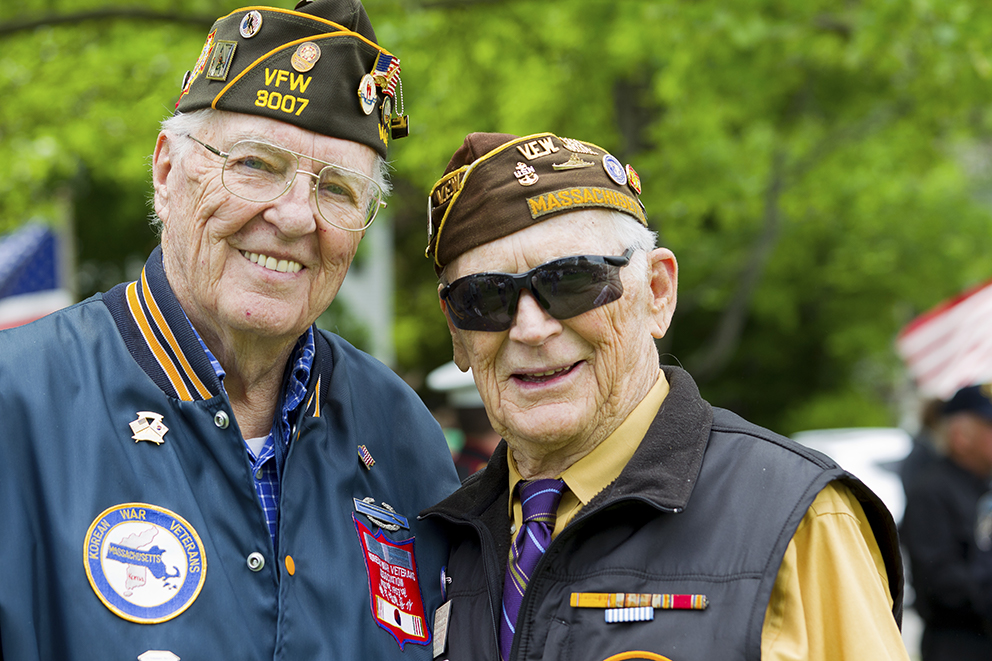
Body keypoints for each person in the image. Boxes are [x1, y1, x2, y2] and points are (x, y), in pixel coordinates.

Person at [0, 2, 459, 659]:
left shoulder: (401, 435)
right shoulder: (16, 403)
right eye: (256, 165)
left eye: (337, 189)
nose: (296, 215)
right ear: (165, 172)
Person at [419, 132, 910, 660]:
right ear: (456, 333)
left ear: (656, 291)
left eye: (572, 281)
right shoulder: (436, 540)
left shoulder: (798, 519)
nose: (531, 328)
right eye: (484, 298)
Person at [901, 384, 992, 660]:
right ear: (961, 436)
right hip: (958, 647)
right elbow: (943, 586)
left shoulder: (981, 486)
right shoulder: (931, 492)